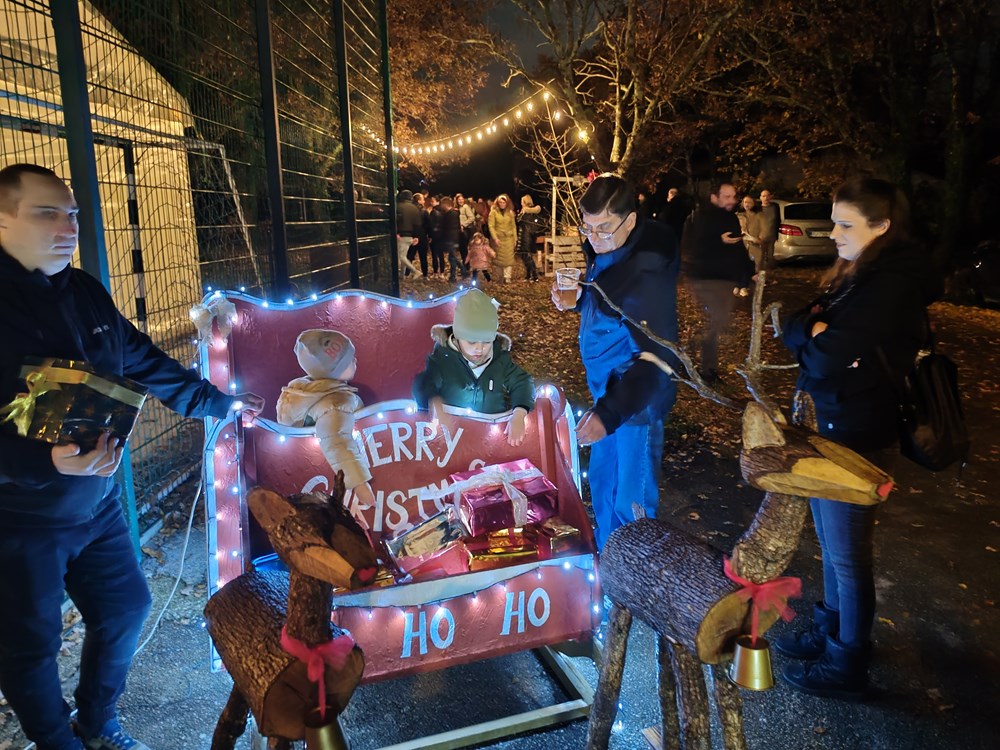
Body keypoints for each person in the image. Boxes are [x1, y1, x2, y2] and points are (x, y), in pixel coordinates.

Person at [0, 164, 264, 750]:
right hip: (20, 519)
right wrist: (43, 465)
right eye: (47, 213)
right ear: (3, 219)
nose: (68, 227)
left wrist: (215, 402)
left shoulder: (84, 291)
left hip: (96, 506)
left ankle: (96, 725)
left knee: (125, 608)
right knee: (30, 647)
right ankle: (57, 743)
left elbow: (141, 358)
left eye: (72, 213)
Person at [779, 177, 940, 700]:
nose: (833, 233)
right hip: (832, 426)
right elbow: (795, 323)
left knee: (848, 557)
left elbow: (823, 357)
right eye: (834, 221)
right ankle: (831, 631)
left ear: (882, 226)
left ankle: (848, 662)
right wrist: (815, 332)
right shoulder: (857, 274)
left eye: (845, 224)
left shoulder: (890, 286)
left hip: (859, 436)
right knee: (831, 548)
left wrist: (819, 337)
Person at [551, 173, 680, 549]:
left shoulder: (646, 273)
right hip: (606, 398)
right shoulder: (609, 253)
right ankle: (610, 566)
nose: (593, 238)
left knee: (630, 502)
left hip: (633, 407)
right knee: (603, 488)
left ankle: (634, 576)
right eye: (587, 227)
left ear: (631, 220)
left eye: (604, 228)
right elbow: (614, 310)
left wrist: (609, 415)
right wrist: (580, 301)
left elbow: (658, 360)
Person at [413, 289, 534, 447]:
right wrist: (434, 402)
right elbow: (424, 383)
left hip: (490, 439)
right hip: (452, 439)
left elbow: (522, 381)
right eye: (471, 342)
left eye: (486, 342)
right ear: (458, 337)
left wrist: (519, 412)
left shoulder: (499, 359)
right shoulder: (443, 358)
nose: (479, 348)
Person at [277, 330, 375, 518]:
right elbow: (337, 440)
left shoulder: (310, 393)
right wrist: (359, 483)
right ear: (334, 371)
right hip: (334, 473)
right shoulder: (336, 403)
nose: (355, 361)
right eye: (349, 360)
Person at [682, 181, 755, 383]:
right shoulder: (699, 217)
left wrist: (750, 272)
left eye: (734, 196)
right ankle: (705, 368)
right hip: (705, 278)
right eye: (727, 196)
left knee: (716, 323)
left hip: (725, 279)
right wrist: (717, 240)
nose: (732, 200)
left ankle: (698, 361)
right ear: (714, 197)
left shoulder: (731, 218)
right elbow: (690, 246)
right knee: (714, 321)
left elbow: (739, 248)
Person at [431, 196, 464, 283]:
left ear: (446, 205)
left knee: (452, 258)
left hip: (451, 239)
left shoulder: (451, 214)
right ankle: (462, 271)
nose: (441, 206)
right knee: (452, 257)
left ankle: (456, 275)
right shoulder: (452, 213)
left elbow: (447, 227)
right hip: (453, 238)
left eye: (442, 205)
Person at [488, 194, 517, 283]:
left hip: (509, 238)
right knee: (499, 259)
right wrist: (495, 238)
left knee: (509, 259)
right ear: (497, 202)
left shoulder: (510, 213)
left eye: (504, 202)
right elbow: (491, 226)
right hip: (498, 238)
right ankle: (500, 276)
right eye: (500, 202)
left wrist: (515, 238)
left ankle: (507, 277)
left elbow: (513, 226)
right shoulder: (493, 212)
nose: (502, 204)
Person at [516, 194, 544, 283]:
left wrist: (521, 214)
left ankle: (534, 276)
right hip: (526, 237)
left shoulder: (528, 213)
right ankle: (528, 275)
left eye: (522, 201)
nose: (521, 203)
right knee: (525, 257)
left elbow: (519, 222)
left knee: (527, 257)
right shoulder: (527, 212)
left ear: (525, 202)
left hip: (526, 238)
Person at [395, 189, 423, 279]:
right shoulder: (415, 208)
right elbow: (418, 224)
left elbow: (396, 221)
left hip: (401, 235)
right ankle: (402, 276)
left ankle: (415, 271)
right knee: (404, 256)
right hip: (410, 236)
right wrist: (416, 236)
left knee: (401, 256)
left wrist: (396, 232)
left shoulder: (398, 206)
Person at [738, 194, 764, 275]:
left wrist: (758, 239)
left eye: (749, 202)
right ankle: (745, 282)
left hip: (756, 246)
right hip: (743, 246)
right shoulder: (739, 216)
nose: (747, 204)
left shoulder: (759, 216)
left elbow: (764, 232)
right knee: (744, 269)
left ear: (754, 204)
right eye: (745, 202)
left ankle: (761, 283)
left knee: (759, 269)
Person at [757, 189, 779, 269]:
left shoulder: (775, 208)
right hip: (760, 238)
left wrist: (776, 235)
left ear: (770, 197)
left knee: (770, 258)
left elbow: (778, 221)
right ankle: (760, 276)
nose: (766, 198)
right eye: (763, 196)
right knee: (761, 258)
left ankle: (769, 274)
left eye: (767, 196)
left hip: (771, 237)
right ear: (760, 198)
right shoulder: (758, 209)